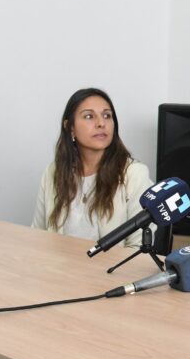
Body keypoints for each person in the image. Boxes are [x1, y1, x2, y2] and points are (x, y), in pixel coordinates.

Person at [33, 88, 153, 245]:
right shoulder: (54, 172)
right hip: (56, 261)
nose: (101, 123)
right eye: (89, 116)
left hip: (114, 262)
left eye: (107, 116)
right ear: (70, 127)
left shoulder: (134, 174)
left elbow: (138, 247)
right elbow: (37, 235)